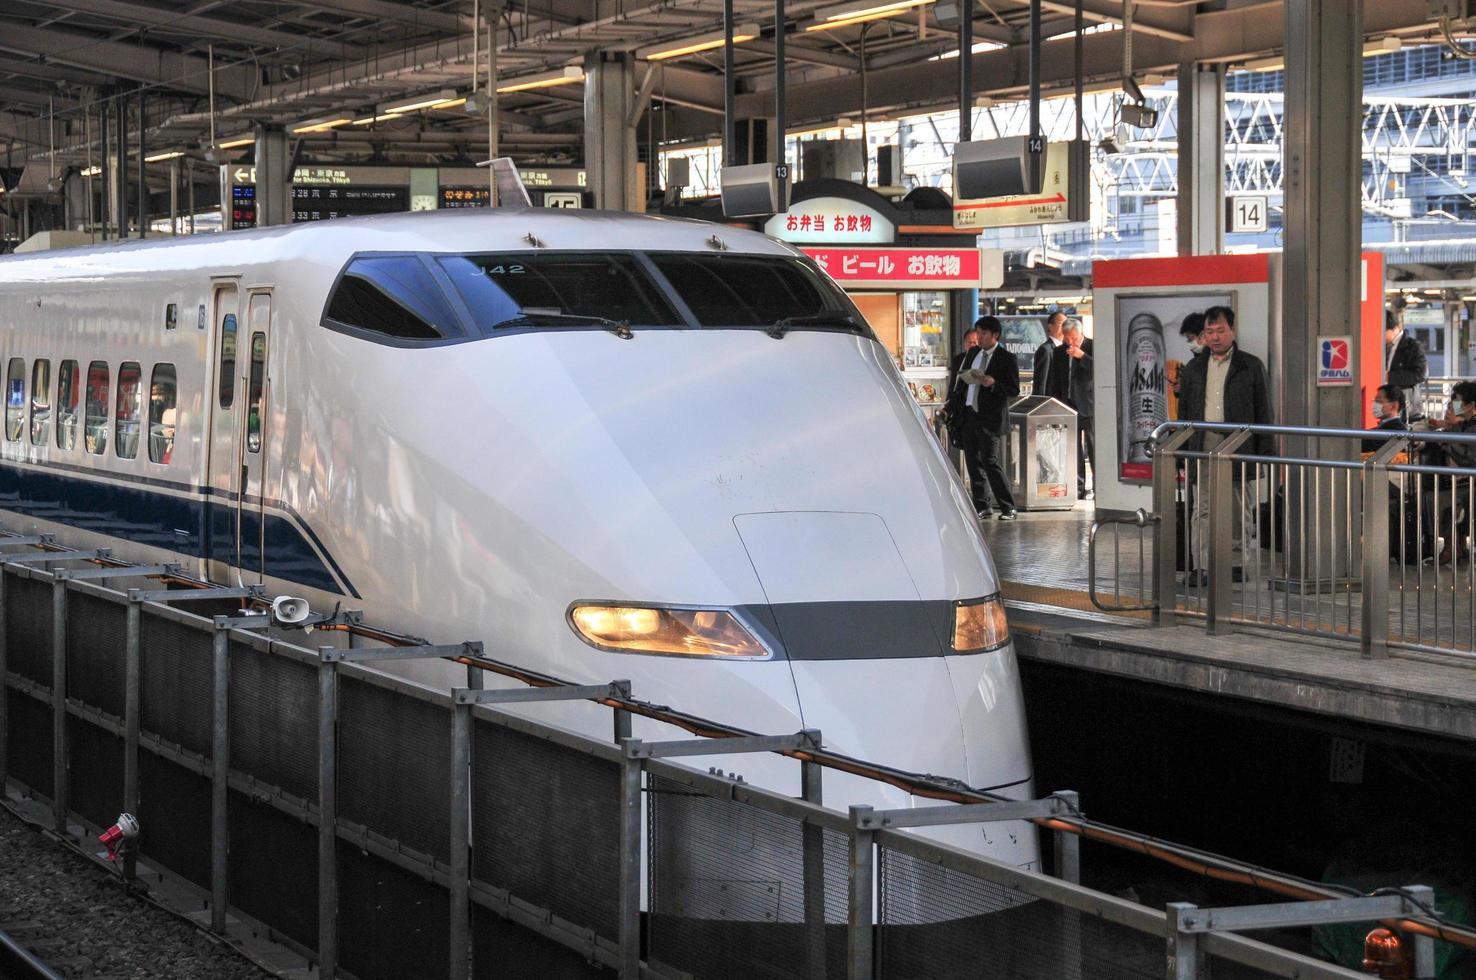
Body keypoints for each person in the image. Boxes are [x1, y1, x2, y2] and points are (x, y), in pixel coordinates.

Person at [1177, 306, 1275, 582]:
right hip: (1203, 441)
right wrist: (1182, 451)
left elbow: (1264, 410)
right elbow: (1184, 413)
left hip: (1238, 442)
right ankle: (1203, 564)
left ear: (1233, 330)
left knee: (1237, 506)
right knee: (1203, 508)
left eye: (1221, 331)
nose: (1215, 337)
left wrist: (1265, 452)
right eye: (1210, 332)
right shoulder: (1194, 369)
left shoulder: (1251, 366)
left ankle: (1235, 562)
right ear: (1204, 335)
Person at [955, 316, 1021, 520]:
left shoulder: (1006, 358)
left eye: (984, 333)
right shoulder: (973, 353)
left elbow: (1013, 389)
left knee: (990, 462)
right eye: (978, 332)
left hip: (990, 418)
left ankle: (1008, 506)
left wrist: (993, 383)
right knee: (973, 462)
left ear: (995, 335)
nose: (980, 337)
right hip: (970, 414)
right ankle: (982, 504)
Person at [1053, 321, 1095, 499]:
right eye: (1066, 338)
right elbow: (1055, 379)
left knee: (1093, 446)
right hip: (1068, 405)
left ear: (1081, 334)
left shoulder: (1092, 346)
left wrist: (1082, 356)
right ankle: (1078, 486)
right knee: (1073, 449)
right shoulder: (1058, 352)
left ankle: (1099, 487)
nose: (1070, 343)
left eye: (1074, 338)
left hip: (1090, 405)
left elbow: (1100, 369)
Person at [944, 327, 984, 481]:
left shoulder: (983, 360)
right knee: (966, 450)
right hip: (961, 412)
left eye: (976, 342)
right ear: (964, 344)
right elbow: (954, 384)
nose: (973, 345)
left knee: (979, 457)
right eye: (970, 342)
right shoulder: (958, 360)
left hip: (977, 413)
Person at [1384, 309, 1428, 420]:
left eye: (1383, 331)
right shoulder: (1383, 346)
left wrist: (1389, 377)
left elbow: (1421, 374)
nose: (1380, 336)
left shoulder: (1413, 347)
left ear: (1394, 329)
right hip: (1389, 407)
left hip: (1408, 409)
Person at [1168, 311, 1206, 419]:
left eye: (1190, 338)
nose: (1189, 343)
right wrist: (1181, 390)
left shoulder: (1217, 363)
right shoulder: (1193, 364)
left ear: (1203, 334)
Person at [1033, 311, 1066, 399]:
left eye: (1066, 324)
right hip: (1050, 402)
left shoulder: (1065, 348)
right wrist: (1039, 402)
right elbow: (1041, 381)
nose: (1064, 327)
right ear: (1050, 326)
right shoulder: (1045, 350)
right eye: (1061, 323)